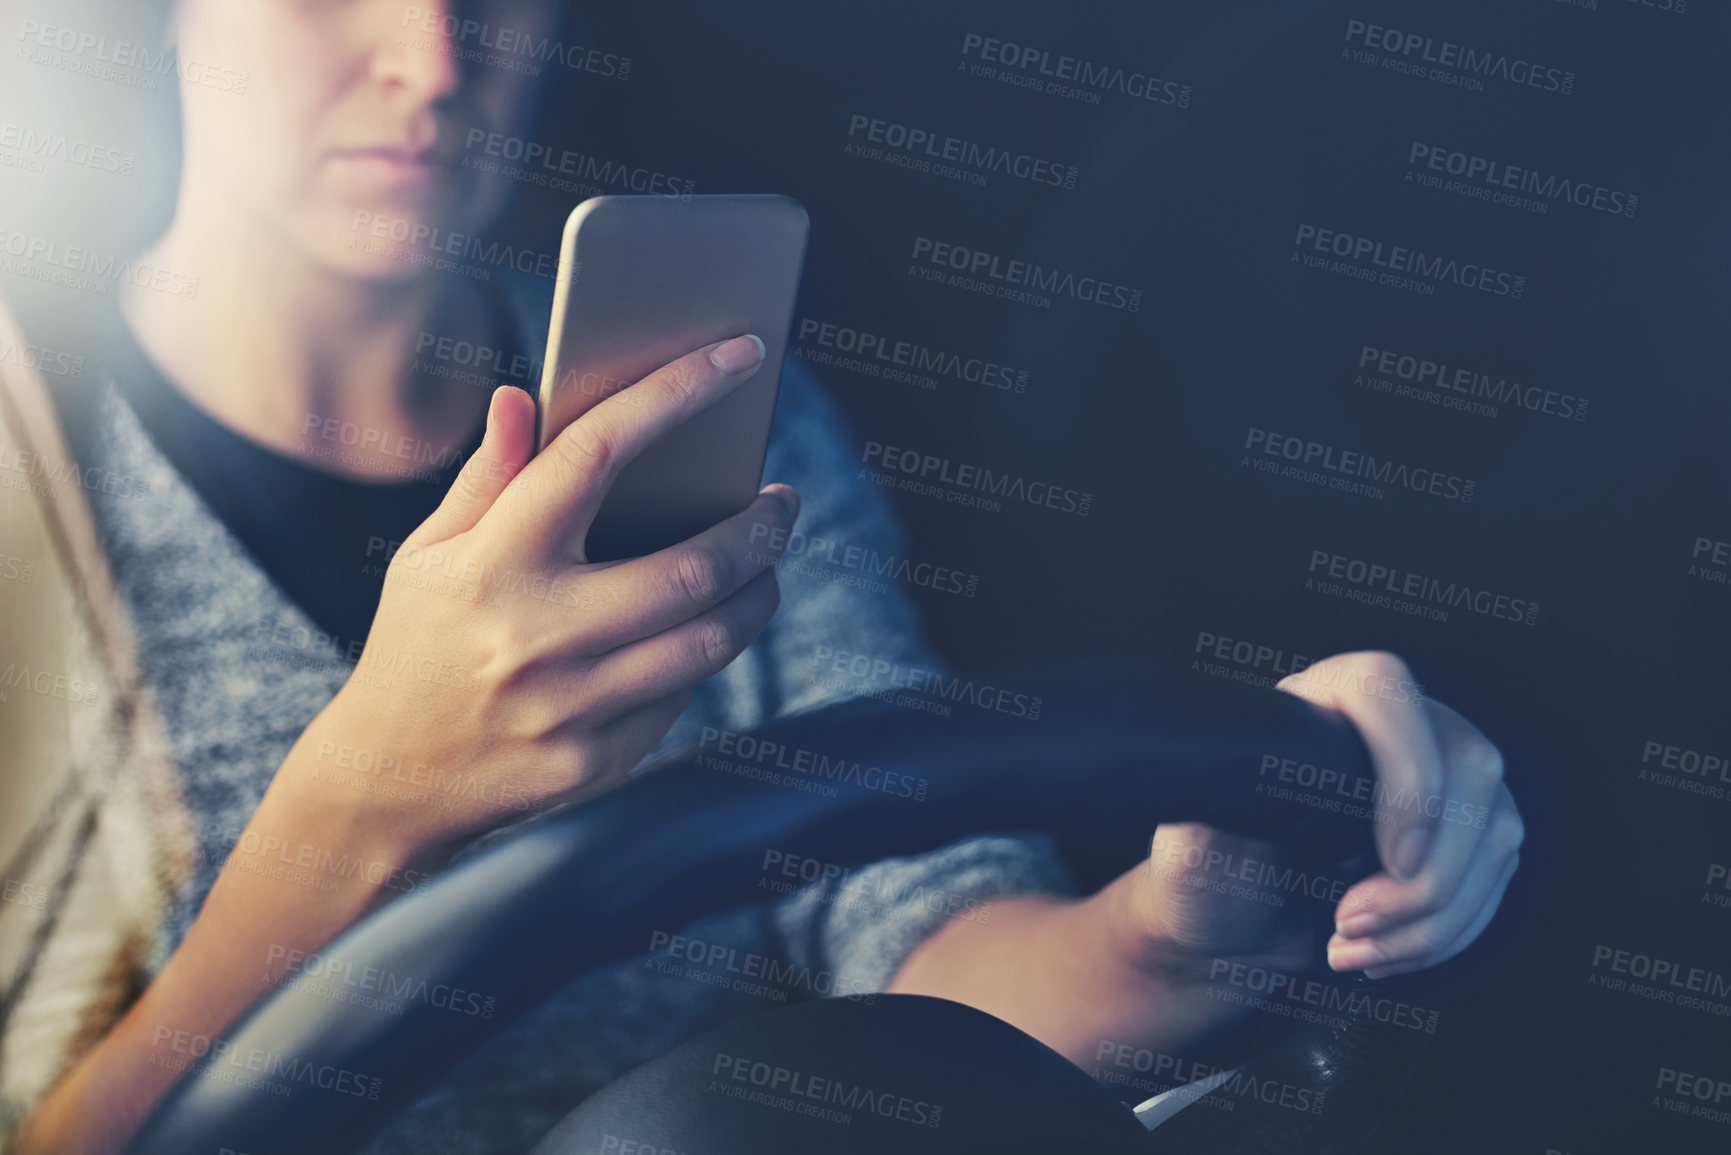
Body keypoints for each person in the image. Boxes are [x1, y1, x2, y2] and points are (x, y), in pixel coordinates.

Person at [0, 2, 1522, 1152]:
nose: (434, 59)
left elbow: (918, 950)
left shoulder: (714, 398)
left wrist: (1181, 937)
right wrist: (367, 800)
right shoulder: (31, 479)